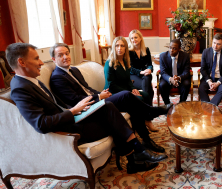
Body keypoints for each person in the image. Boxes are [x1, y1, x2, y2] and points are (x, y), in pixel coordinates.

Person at [6, 43, 168, 174]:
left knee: (110, 108)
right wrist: (73, 111)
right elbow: (41, 124)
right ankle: (139, 151)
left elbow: (65, 100)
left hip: (74, 117)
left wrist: (91, 102)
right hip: (68, 130)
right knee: (113, 111)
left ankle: (135, 158)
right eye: (36, 58)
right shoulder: (21, 88)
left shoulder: (30, 80)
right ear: (21, 62)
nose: (41, 63)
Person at [49, 42, 168, 153]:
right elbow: (76, 100)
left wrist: (101, 92)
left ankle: (146, 140)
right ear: (54, 59)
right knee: (126, 95)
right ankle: (152, 112)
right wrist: (99, 96)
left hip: (95, 99)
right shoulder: (57, 78)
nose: (65, 57)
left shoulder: (74, 70)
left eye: (67, 53)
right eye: (60, 55)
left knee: (131, 104)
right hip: (87, 109)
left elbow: (87, 89)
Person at [103, 37, 160, 134]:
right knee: (140, 99)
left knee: (145, 95)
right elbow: (111, 85)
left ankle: (147, 120)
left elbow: (128, 80)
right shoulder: (110, 63)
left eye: (122, 46)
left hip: (126, 91)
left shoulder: (125, 62)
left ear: (126, 48)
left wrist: (133, 89)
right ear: (113, 48)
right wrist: (130, 93)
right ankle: (142, 125)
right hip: (114, 94)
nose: (119, 48)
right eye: (117, 46)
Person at [198, 33, 222, 106]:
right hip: (209, 78)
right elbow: (203, 69)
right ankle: (208, 106)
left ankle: (210, 106)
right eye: (214, 43)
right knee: (201, 88)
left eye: (218, 44)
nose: (215, 46)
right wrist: (209, 81)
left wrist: (218, 83)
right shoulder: (206, 52)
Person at [159, 39, 191, 105]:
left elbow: (186, 72)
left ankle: (181, 105)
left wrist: (178, 78)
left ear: (179, 49)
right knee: (162, 85)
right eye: (170, 48)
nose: (171, 50)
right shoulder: (163, 56)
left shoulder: (185, 56)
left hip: (180, 78)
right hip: (168, 78)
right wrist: (171, 79)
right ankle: (167, 105)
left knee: (187, 84)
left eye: (174, 48)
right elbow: (163, 72)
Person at [128, 29, 154, 105]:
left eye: (135, 37)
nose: (134, 40)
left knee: (147, 77)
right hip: (133, 75)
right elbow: (130, 68)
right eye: (132, 38)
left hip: (145, 74)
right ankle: (149, 107)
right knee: (148, 86)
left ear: (140, 38)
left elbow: (150, 64)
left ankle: (147, 107)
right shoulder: (129, 51)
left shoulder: (146, 49)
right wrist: (141, 72)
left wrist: (149, 69)